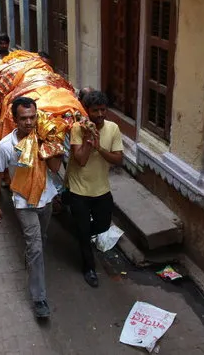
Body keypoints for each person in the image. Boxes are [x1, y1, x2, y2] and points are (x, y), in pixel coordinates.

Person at [0, 97, 62, 319]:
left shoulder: (43, 138)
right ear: (14, 119)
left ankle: (31, 256)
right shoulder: (5, 146)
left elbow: (55, 167)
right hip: (23, 204)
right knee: (37, 247)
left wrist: (50, 145)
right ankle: (39, 299)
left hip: (45, 200)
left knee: (41, 239)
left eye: (32, 117)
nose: (29, 122)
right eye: (23, 118)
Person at [65, 91, 123, 288]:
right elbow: (80, 160)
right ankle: (89, 268)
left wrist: (99, 148)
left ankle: (82, 230)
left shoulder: (113, 128)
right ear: (87, 112)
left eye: (103, 110)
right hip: (78, 189)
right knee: (83, 233)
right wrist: (89, 140)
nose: (100, 114)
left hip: (101, 189)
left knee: (103, 225)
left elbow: (118, 159)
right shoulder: (77, 129)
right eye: (95, 110)